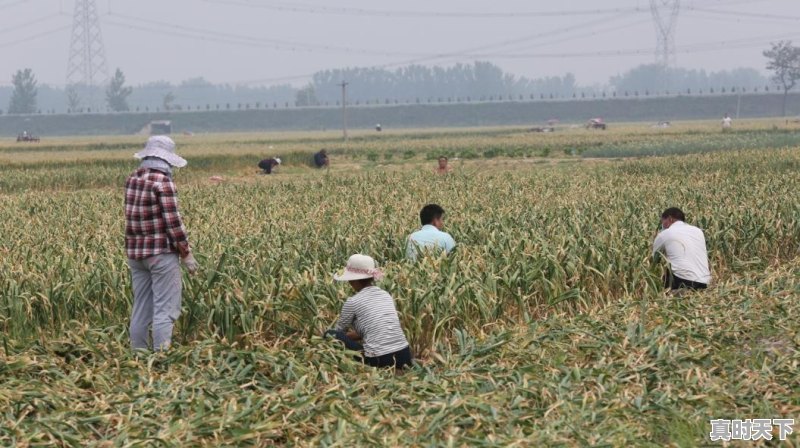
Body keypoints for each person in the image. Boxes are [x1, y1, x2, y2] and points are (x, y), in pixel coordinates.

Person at [125, 136, 199, 351]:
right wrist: (186, 254)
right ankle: (161, 358)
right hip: (160, 255)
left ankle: (138, 355)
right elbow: (173, 223)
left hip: (136, 254)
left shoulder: (132, 179)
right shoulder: (162, 182)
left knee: (141, 308)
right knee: (165, 309)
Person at [325, 254, 413, 369]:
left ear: (353, 281)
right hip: (405, 355)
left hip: (380, 359)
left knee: (329, 334)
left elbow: (339, 333)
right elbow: (376, 327)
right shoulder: (385, 295)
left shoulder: (352, 302)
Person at [653, 207, 711, 291]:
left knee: (662, 268)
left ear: (670, 219)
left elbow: (654, 260)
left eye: (663, 221)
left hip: (682, 281)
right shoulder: (698, 231)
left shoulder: (665, 234)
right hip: (704, 281)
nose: (663, 225)